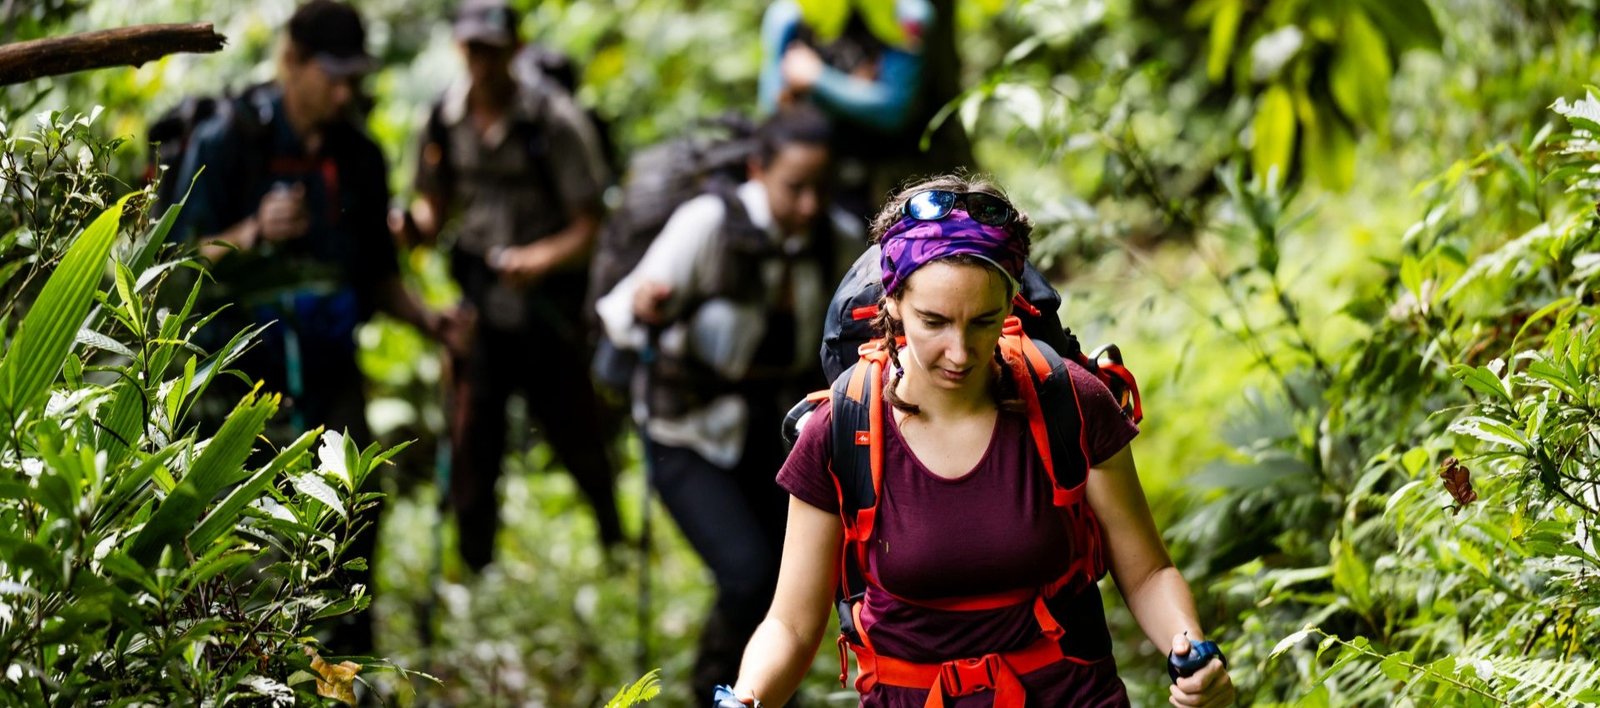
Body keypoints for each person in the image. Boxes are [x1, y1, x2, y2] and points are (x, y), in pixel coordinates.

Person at [718, 176, 1237, 706]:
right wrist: (749, 696)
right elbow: (792, 624)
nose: (960, 352)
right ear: (893, 302)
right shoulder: (842, 429)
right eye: (934, 321)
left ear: (1011, 304)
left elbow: (1149, 573)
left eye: (984, 321)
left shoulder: (1069, 402)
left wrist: (1191, 649)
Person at [170, 0, 461, 654]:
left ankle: (347, 670)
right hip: (237, 387)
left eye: (353, 78)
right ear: (291, 61)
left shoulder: (359, 154)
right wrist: (251, 233)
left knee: (352, 518)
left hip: (331, 374)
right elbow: (179, 262)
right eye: (332, 76)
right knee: (240, 539)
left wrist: (431, 322)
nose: (344, 92)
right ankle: (236, 671)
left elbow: (379, 275)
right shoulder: (229, 139)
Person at [595, 106, 862, 701]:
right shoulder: (707, 223)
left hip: (773, 433)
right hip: (684, 428)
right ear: (757, 169)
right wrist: (645, 305)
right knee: (747, 573)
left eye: (821, 188)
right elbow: (617, 312)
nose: (810, 204)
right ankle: (710, 689)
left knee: (786, 582)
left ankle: (760, 692)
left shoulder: (835, 238)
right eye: (796, 187)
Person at [390, 0, 625, 571]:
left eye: (493, 51)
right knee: (474, 445)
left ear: (514, 51)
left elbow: (591, 227)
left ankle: (613, 539)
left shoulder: (553, 120)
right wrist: (412, 228)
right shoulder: (442, 120)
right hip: (481, 313)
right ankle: (474, 567)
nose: (482, 64)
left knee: (576, 433)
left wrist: (538, 260)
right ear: (459, 49)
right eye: (473, 50)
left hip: (548, 312)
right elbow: (435, 205)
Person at [757, 0, 974, 219]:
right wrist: (858, 89)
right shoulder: (789, 16)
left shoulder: (907, 13)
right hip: (825, 174)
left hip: (899, 174)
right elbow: (776, 109)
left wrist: (817, 79)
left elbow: (894, 110)